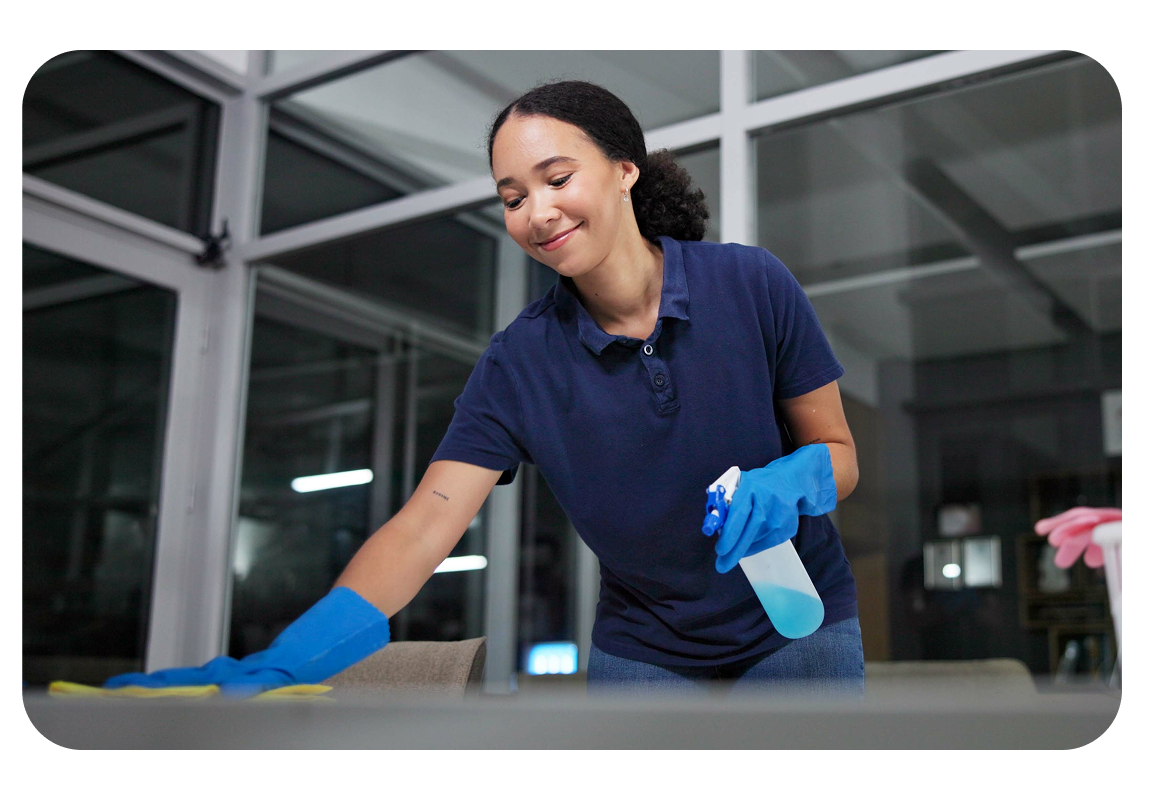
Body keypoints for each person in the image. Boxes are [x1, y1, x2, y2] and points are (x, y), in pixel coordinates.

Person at [103, 79, 864, 697]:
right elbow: (426, 525)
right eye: (511, 197)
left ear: (625, 168)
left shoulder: (750, 284)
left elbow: (837, 452)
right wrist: (305, 646)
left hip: (797, 621)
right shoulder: (519, 362)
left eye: (557, 178)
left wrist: (794, 480)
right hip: (647, 647)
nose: (538, 212)